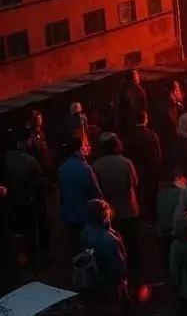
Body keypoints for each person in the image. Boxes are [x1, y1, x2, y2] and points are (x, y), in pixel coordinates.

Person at [77, 199, 128, 316]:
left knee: (95, 312)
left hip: (91, 283)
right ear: (104, 215)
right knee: (112, 312)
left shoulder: (85, 234)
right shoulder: (110, 239)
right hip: (109, 284)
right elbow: (119, 266)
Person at [92, 133, 140, 273]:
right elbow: (134, 183)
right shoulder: (126, 163)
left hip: (109, 211)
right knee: (131, 239)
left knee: (113, 239)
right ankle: (132, 266)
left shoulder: (97, 165)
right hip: (127, 208)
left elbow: (97, 188)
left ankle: (115, 264)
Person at [4, 127, 48, 263]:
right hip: (28, 201)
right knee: (29, 232)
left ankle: (16, 257)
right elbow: (40, 181)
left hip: (10, 201)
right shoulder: (30, 161)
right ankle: (31, 260)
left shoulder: (5, 158)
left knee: (14, 230)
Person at [58, 137, 103, 256]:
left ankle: (77, 267)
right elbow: (96, 192)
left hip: (69, 214)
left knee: (75, 248)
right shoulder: (86, 168)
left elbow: (61, 194)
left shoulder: (62, 168)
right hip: (85, 215)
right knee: (87, 248)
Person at [123, 111, 163, 222]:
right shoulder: (151, 135)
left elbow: (126, 153)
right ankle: (150, 217)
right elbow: (158, 155)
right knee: (150, 195)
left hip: (135, 169)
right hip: (150, 170)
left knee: (137, 192)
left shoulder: (129, 135)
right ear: (145, 119)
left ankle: (139, 215)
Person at [156, 168, 187, 271]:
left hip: (162, 228)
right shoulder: (180, 192)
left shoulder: (160, 192)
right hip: (174, 230)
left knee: (166, 253)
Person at [117, 69, 147, 136]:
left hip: (126, 125)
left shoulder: (122, 89)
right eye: (137, 75)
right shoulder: (140, 90)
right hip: (139, 123)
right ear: (133, 77)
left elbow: (120, 108)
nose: (139, 77)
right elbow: (144, 108)